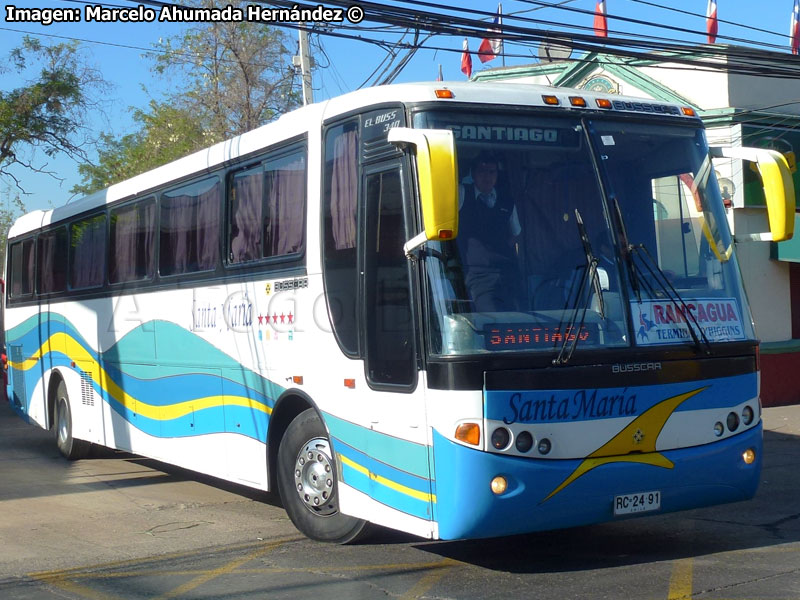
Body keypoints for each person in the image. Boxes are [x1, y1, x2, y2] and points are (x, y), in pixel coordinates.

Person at [457, 151, 523, 312]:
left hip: (508, 274)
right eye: (482, 171)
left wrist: (497, 250)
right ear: (473, 174)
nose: (487, 176)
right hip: (479, 275)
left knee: (517, 319)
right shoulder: (462, 193)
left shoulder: (506, 201)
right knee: (491, 322)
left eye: (492, 172)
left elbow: (516, 233)